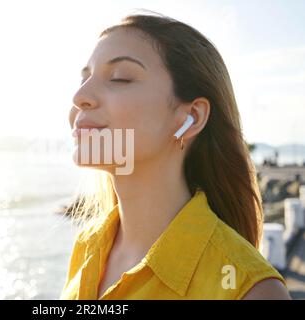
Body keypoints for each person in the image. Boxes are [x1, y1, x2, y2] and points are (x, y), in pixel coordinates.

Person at [60, 11, 291, 300]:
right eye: (85, 78)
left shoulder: (250, 290)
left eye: (120, 78)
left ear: (191, 118)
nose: (80, 96)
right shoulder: (87, 245)